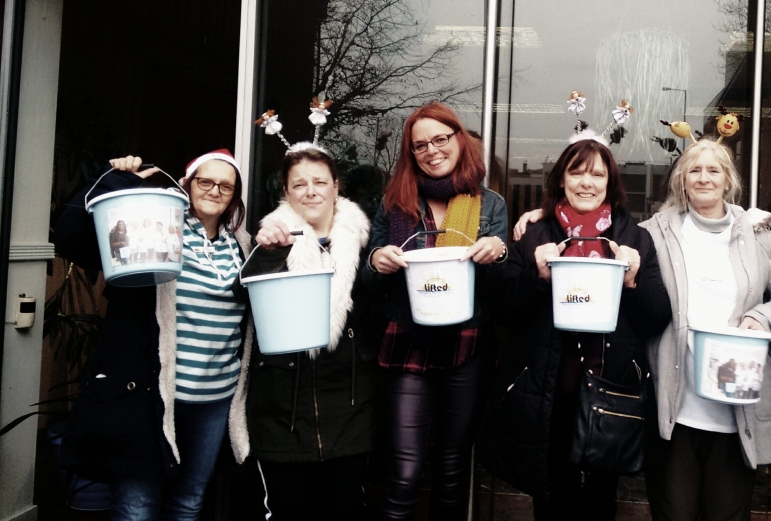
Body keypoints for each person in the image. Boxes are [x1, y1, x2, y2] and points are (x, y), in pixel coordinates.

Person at [54, 150, 253, 520]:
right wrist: (112, 178)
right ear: (187, 184)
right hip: (153, 395)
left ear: (235, 195)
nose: (215, 190)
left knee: (190, 499)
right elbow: (71, 240)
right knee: (137, 507)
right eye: (205, 181)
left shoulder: (242, 246)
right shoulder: (156, 228)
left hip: (214, 398)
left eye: (226, 185)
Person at [481, 137, 672, 520]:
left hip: (610, 387)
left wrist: (633, 281)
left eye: (597, 174)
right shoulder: (534, 234)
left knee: (602, 498)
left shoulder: (634, 237)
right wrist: (536, 277)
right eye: (577, 172)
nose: (587, 182)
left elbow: (656, 318)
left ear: (610, 182)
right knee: (552, 495)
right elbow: (503, 309)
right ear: (561, 180)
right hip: (549, 390)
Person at [639, 139, 771, 520]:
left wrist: (761, 318)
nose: (704, 178)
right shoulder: (655, 233)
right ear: (681, 180)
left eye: (714, 170)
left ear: (728, 180)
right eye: (694, 170)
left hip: (736, 406)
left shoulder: (760, 233)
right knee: (673, 512)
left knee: (727, 514)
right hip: (675, 407)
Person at [364, 101, 508, 519]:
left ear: (459, 140)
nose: (432, 150)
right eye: (420, 145)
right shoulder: (395, 203)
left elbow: (501, 288)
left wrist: (498, 252)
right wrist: (376, 261)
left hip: (468, 345)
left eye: (440, 139)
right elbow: (367, 279)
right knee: (405, 471)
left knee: (451, 468)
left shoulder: (490, 204)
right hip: (406, 341)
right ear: (411, 154)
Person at [243, 143, 383, 520]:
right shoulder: (269, 242)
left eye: (320, 181)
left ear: (336, 187)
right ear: (286, 192)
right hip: (283, 415)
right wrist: (270, 252)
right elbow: (247, 300)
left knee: (347, 510)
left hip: (351, 412)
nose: (311, 191)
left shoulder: (367, 244)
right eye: (299, 184)